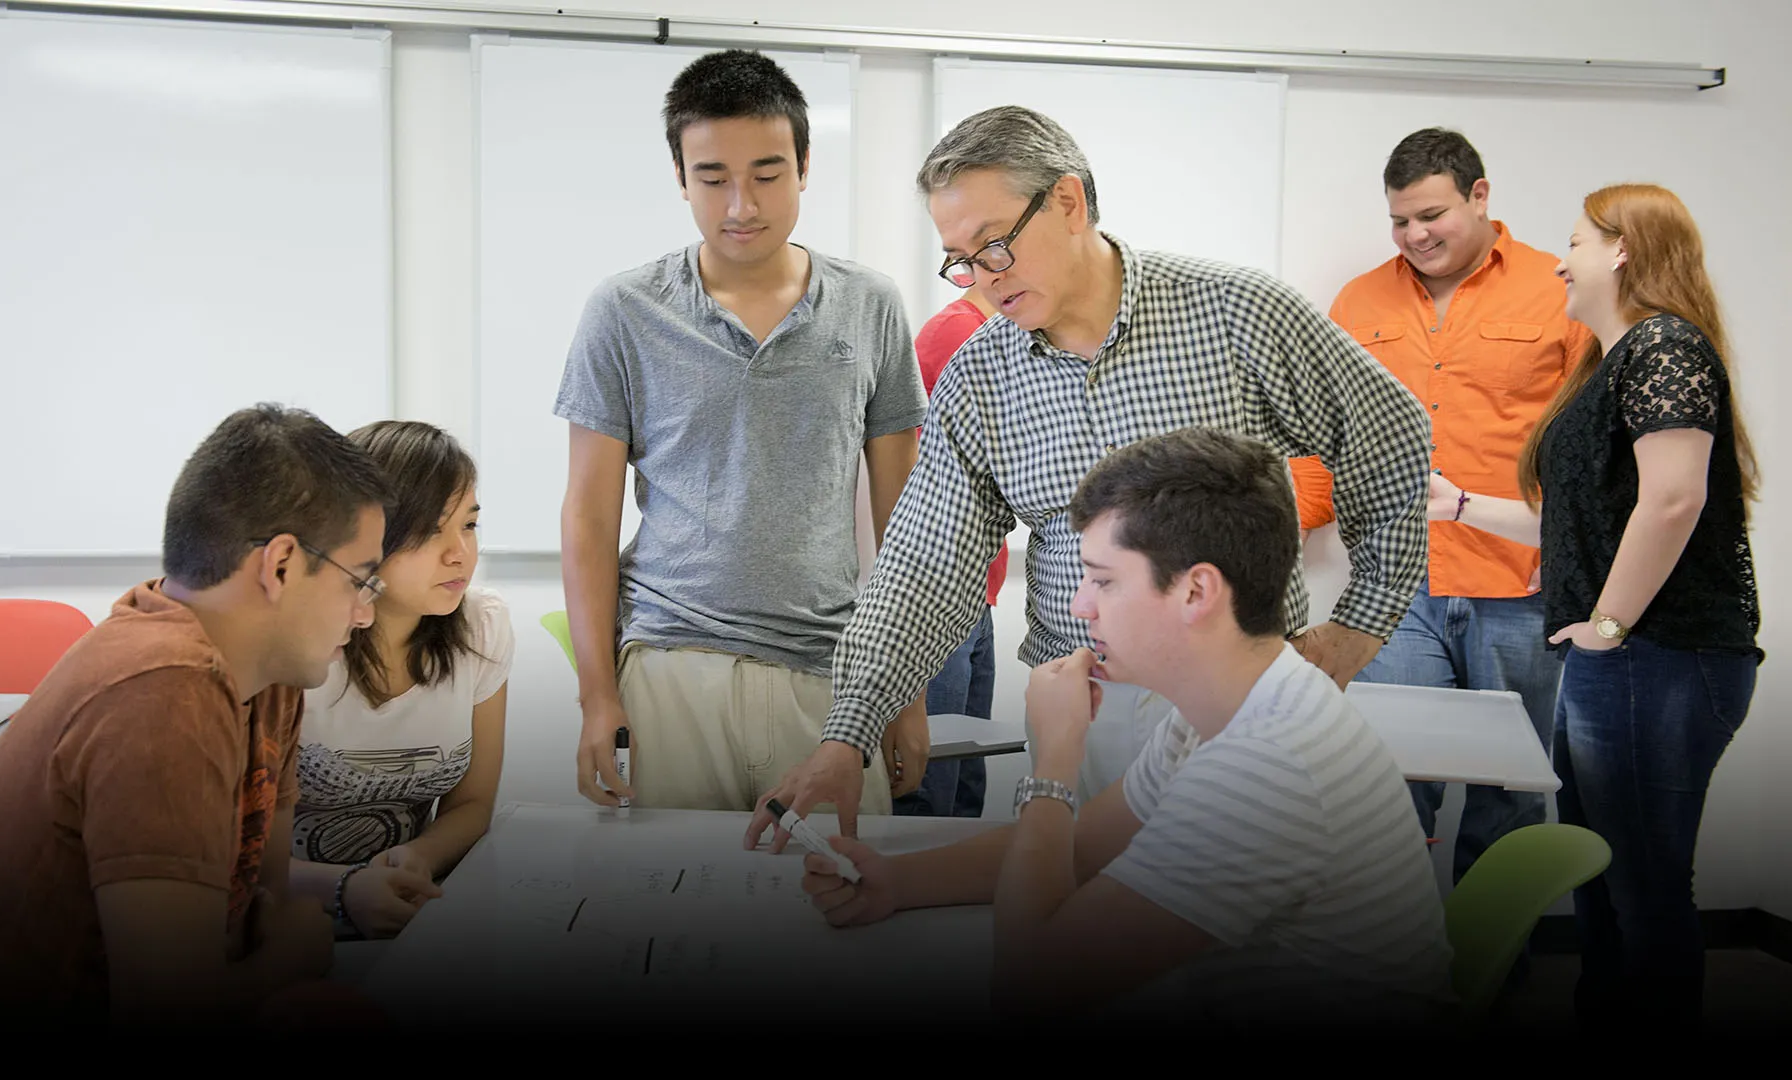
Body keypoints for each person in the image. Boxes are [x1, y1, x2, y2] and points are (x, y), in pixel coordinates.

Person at [747, 104, 1433, 848]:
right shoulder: (982, 374)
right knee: (1071, 931)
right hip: (1085, 712)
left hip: (1240, 705)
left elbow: (1392, 441)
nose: (980, 280)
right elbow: (924, 563)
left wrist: (1358, 627)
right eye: (960, 260)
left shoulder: (1235, 312)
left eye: (994, 247)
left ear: (1069, 202)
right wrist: (848, 734)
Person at [799, 427, 1454, 1033]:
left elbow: (1032, 988)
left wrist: (1054, 765)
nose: (1080, 606)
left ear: (1198, 592)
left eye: (1104, 582)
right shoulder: (1230, 706)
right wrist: (900, 881)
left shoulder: (1268, 764)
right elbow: (1085, 851)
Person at [0, 404, 392, 1030]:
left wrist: (289, 945)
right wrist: (288, 962)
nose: (365, 614)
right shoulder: (163, 691)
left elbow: (264, 903)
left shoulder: (268, 674)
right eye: (360, 582)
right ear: (281, 565)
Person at [554, 49, 927, 817]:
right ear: (680, 178)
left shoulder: (871, 304)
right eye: (712, 177)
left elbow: (904, 518)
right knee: (672, 918)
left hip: (832, 673)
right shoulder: (625, 310)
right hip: (671, 664)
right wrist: (597, 695)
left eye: (766, 173)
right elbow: (588, 517)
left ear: (804, 166)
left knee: (838, 910)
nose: (740, 205)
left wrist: (906, 689)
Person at [1438, 183, 1761, 1031]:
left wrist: (1610, 624)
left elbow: (1673, 502)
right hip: (1620, 657)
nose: (1557, 260)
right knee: (1601, 875)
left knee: (1644, 886)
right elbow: (1578, 520)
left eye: (1575, 243)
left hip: (1660, 653)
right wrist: (1457, 504)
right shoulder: (1612, 364)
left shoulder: (1664, 347)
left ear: (1622, 250)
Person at [1287, 128, 1592, 882]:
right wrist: (1247, 538)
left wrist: (1580, 561)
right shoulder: (1359, 301)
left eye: (1432, 215)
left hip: (1522, 587)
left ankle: (1495, 981)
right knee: (1386, 782)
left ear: (1479, 195)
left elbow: (1588, 448)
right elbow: (1325, 445)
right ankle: (1398, 974)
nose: (1415, 235)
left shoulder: (1560, 289)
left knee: (1512, 792)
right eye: (1400, 220)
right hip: (1396, 589)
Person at [287, 421, 513, 940]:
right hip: (291, 921)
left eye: (470, 525)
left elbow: (474, 803)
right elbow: (230, 854)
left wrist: (416, 858)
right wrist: (349, 887)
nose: (460, 553)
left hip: (412, 911)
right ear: (366, 535)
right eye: (431, 531)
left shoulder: (483, 626)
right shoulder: (299, 649)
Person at [895, 282, 1005, 818]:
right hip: (942, 588)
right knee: (932, 782)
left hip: (977, 590)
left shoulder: (993, 331)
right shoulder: (960, 334)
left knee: (964, 777)